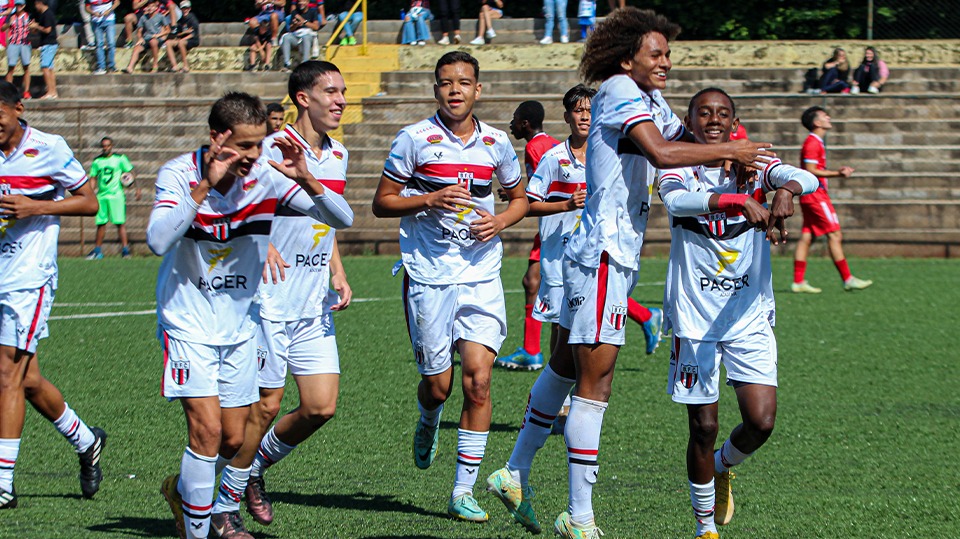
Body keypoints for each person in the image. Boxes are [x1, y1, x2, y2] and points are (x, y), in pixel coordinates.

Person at [554, 9, 772, 538]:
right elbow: (666, 153)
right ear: (628, 58)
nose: (667, 63)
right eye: (658, 54)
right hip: (605, 251)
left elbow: (687, 135)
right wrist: (731, 151)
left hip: (621, 254)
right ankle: (581, 516)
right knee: (593, 384)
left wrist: (773, 176)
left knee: (567, 370)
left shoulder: (647, 98)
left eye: (669, 55)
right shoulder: (618, 90)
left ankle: (513, 471)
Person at [149, 92, 353, 539]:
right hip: (188, 323)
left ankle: (183, 494)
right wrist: (204, 186)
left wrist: (307, 179)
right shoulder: (179, 173)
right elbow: (159, 240)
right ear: (217, 137)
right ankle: (202, 531)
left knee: (234, 440)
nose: (253, 156)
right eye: (243, 146)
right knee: (205, 432)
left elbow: (342, 218)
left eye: (258, 145)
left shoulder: (264, 177)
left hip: (240, 327)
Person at [372, 51, 527, 523]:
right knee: (438, 388)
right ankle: (428, 417)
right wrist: (430, 197)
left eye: (463, 82)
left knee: (479, 382)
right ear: (435, 89)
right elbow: (382, 203)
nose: (454, 89)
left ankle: (462, 491)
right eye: (445, 82)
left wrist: (499, 221)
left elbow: (519, 199)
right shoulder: (413, 140)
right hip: (429, 274)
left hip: (480, 273)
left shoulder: (498, 144)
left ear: (478, 90)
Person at [658, 88, 819, 539]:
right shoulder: (679, 166)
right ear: (689, 121)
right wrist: (733, 201)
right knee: (703, 425)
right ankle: (705, 528)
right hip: (695, 318)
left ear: (734, 120)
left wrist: (784, 191)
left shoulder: (755, 164)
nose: (713, 119)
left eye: (722, 113)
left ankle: (723, 467)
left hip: (748, 314)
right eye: (703, 113)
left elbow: (806, 178)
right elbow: (675, 203)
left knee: (761, 421)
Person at [219, 61, 352, 535]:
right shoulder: (270, 150)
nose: (339, 100)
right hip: (268, 300)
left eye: (342, 91)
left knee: (320, 406)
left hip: (312, 300)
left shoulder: (338, 154)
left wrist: (337, 269)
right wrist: (261, 240)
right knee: (266, 407)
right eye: (329, 92)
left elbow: (329, 219)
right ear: (302, 98)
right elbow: (231, 207)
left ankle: (251, 468)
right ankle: (222, 505)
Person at [485, 84, 595, 535]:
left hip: (595, 264)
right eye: (578, 111)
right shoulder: (554, 157)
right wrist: (565, 204)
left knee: (568, 352)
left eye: (591, 111)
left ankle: (532, 444)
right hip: (560, 263)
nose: (585, 117)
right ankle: (558, 413)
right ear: (567, 117)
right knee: (563, 349)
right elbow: (526, 203)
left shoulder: (609, 155)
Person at [0, 80, 105, 509]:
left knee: (7, 373)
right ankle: (86, 440)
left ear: (18, 108)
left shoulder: (49, 148)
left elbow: (89, 203)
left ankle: (3, 484)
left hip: (29, 277)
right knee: (26, 381)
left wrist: (35, 206)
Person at [496, 100, 558, 371]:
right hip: (557, 221)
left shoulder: (533, 147)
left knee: (557, 286)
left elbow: (539, 191)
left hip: (553, 224)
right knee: (531, 281)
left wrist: (517, 199)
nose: (511, 124)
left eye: (514, 119)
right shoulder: (554, 143)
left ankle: (644, 314)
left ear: (525, 124)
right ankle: (531, 350)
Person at [792, 106, 872, 293]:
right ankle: (847, 278)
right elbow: (810, 170)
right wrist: (838, 173)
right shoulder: (812, 143)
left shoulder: (816, 142)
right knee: (835, 234)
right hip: (815, 196)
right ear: (817, 123)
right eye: (824, 116)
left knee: (807, 236)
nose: (829, 117)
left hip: (811, 195)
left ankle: (798, 281)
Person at [85, 137, 135, 260]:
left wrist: (134, 186)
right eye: (103, 146)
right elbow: (93, 178)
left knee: (119, 223)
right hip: (102, 195)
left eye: (107, 145)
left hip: (116, 195)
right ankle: (97, 251)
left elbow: (130, 172)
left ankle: (125, 250)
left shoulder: (120, 159)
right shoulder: (97, 161)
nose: (105, 148)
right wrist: (90, 193)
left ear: (111, 146)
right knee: (101, 223)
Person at [123, 0, 171, 74]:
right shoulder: (143, 17)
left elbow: (168, 30)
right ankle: (130, 67)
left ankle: (155, 65)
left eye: (152, 6)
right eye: (149, 7)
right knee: (137, 47)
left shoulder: (160, 16)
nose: (150, 8)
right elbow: (139, 31)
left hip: (157, 38)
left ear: (156, 8)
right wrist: (140, 38)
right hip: (147, 38)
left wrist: (159, 35)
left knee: (153, 41)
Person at [280, 0, 321, 71]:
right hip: (297, 36)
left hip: (308, 36)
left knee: (306, 37)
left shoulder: (313, 12)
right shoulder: (295, 12)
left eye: (303, 1)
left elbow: (316, 27)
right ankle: (287, 63)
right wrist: (295, 25)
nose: (301, 3)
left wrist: (304, 22)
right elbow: (291, 29)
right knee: (286, 37)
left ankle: (305, 63)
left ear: (308, 2)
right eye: (299, 1)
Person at [3, 0, 31, 99]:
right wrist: (8, 24)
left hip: (25, 44)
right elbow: (2, 29)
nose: (18, 7)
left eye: (20, 5)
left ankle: (26, 91)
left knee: (26, 68)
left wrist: (33, 27)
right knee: (11, 68)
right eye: (17, 5)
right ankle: (8, 92)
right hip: (13, 43)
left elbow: (34, 29)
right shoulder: (11, 16)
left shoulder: (28, 16)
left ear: (24, 6)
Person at [30, 0, 58, 99]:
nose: (35, 7)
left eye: (35, 4)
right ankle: (53, 92)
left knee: (45, 67)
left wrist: (36, 26)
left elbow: (47, 29)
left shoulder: (47, 14)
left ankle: (50, 91)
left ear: (39, 3)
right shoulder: (43, 14)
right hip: (49, 44)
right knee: (50, 68)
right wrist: (34, 27)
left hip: (49, 44)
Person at [164, 0, 199, 73]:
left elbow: (193, 34)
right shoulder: (180, 20)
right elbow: (178, 33)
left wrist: (182, 37)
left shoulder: (192, 18)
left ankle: (186, 66)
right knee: (168, 43)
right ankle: (174, 66)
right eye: (183, 8)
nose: (185, 10)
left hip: (192, 40)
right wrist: (184, 33)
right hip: (182, 39)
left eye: (187, 8)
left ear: (189, 9)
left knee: (181, 43)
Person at [87, 0, 120, 75]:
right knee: (99, 44)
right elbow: (87, 7)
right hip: (96, 21)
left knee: (111, 43)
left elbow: (117, 2)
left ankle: (111, 66)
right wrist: (93, 13)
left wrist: (109, 10)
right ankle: (101, 67)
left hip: (109, 19)